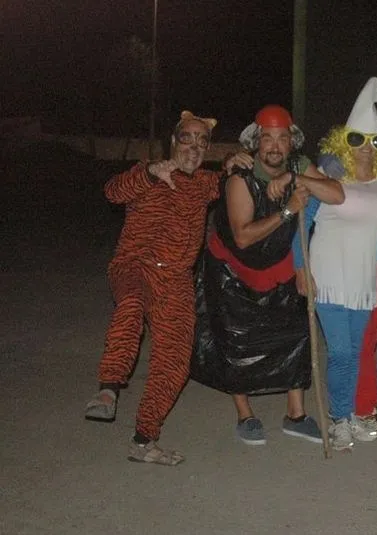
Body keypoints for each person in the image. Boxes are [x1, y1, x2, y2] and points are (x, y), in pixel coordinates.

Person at [85, 111, 242, 465]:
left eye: (203, 141)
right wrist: (148, 173)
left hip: (177, 280)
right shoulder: (149, 172)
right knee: (131, 305)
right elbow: (113, 192)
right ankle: (108, 389)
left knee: (175, 361)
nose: (195, 147)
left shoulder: (203, 183)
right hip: (135, 266)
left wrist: (235, 162)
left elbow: (230, 180)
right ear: (175, 141)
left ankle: (143, 441)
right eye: (188, 138)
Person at [190, 105, 344, 447]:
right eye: (268, 138)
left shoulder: (298, 166)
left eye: (283, 138)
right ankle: (245, 413)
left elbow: (337, 193)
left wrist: (297, 179)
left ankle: (295, 414)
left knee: (296, 333)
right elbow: (243, 236)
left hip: (278, 263)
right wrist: (289, 210)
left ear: (292, 143)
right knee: (236, 340)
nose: (275, 146)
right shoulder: (240, 176)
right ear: (256, 142)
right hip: (232, 267)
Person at [294, 78, 377, 450]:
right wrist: (300, 268)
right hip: (329, 275)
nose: (367, 149)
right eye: (358, 139)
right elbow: (302, 223)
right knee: (340, 352)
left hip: (366, 280)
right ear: (344, 142)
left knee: (359, 352)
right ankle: (341, 419)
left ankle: (354, 415)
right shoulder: (329, 179)